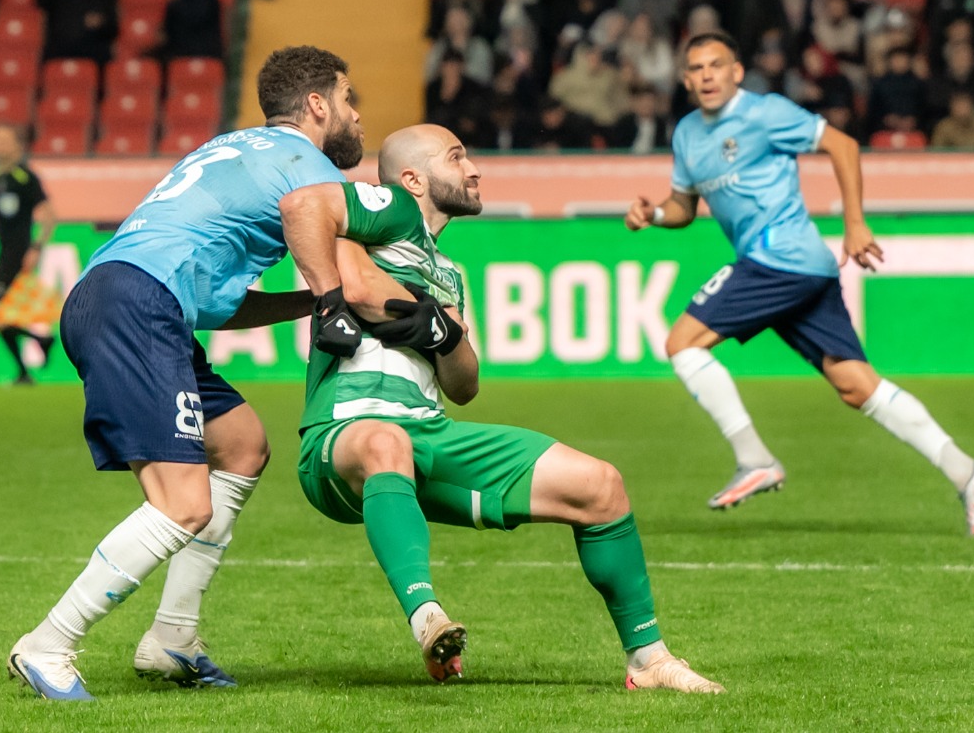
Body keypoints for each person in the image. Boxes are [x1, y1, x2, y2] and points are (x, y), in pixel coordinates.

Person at [6, 45, 390, 701]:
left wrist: (308, 301)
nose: (357, 115)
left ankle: (172, 638)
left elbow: (218, 304)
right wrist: (374, 302)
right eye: (349, 100)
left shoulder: (232, 150)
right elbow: (350, 272)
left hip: (126, 295)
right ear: (317, 105)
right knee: (183, 503)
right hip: (139, 305)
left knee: (241, 444)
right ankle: (49, 642)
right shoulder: (307, 164)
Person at [289, 124, 724, 693]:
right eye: (456, 157)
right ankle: (428, 619)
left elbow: (464, 383)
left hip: (428, 434)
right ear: (413, 179)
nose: (474, 169)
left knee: (601, 486)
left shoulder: (447, 271)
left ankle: (649, 659)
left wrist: (445, 334)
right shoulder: (390, 211)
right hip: (341, 434)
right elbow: (346, 268)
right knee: (385, 441)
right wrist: (423, 314)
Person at [624, 31, 974, 535]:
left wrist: (854, 223)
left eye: (717, 65)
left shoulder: (766, 113)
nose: (707, 75)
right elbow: (683, 207)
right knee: (855, 385)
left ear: (737, 72)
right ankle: (967, 472)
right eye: (696, 68)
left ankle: (754, 459)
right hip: (800, 269)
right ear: (686, 79)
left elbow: (842, 144)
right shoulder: (688, 135)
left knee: (682, 343)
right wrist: (652, 215)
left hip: (778, 257)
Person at [0, 123, 56, 386]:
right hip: (3, 252)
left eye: (4, 140)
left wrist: (36, 248)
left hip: (17, 254)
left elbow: (49, 217)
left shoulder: (26, 178)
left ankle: (30, 359)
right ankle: (34, 352)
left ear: (18, 146)